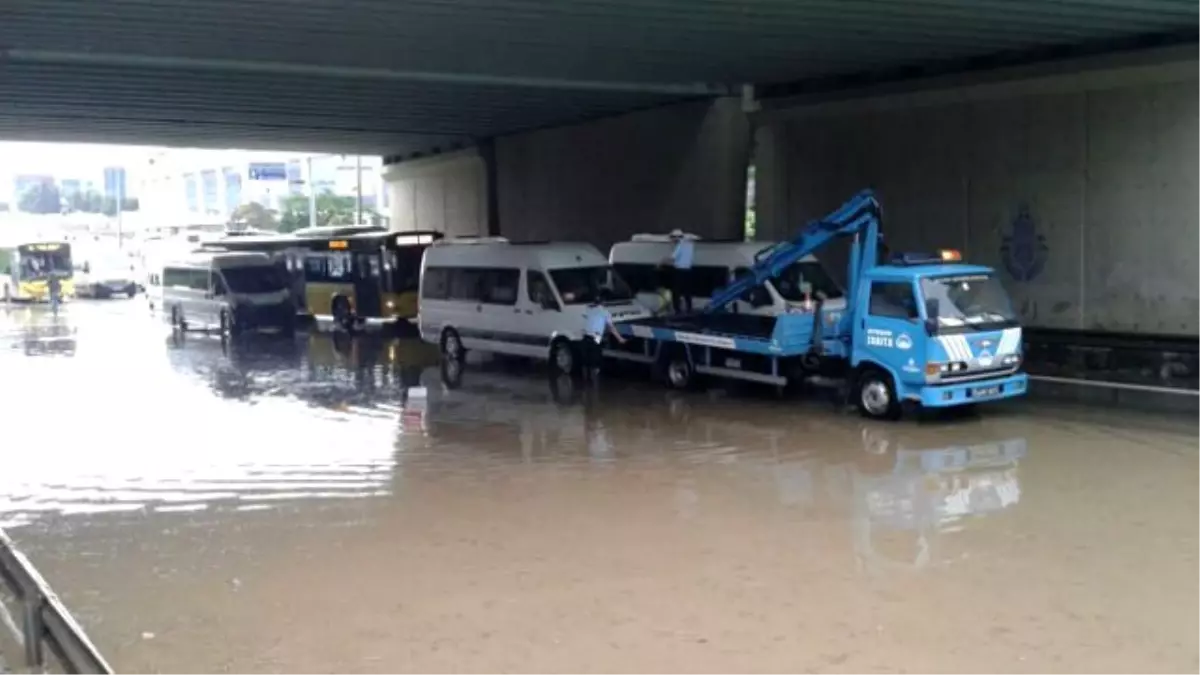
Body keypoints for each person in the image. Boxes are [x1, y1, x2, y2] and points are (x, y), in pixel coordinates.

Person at [580, 299, 626, 383]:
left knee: (585, 361)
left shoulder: (589, 310)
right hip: (596, 338)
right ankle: (594, 382)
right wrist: (620, 338)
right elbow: (611, 328)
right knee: (596, 360)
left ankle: (585, 381)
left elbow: (585, 317)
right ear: (604, 303)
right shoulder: (605, 312)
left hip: (586, 337)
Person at [663, 230, 695, 314]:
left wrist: (661, 263)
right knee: (687, 291)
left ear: (676, 237)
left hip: (679, 271)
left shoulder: (680, 245)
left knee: (676, 291)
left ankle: (677, 310)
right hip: (688, 271)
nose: (672, 241)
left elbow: (672, 258)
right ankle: (689, 308)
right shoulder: (689, 245)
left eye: (673, 238)